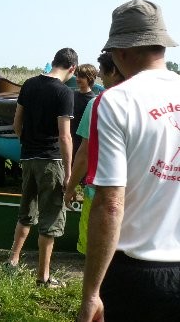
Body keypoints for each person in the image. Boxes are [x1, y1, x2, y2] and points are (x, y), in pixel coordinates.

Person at [78, 0, 180, 321]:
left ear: (120, 52)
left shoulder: (115, 102)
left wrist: (91, 294)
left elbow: (110, 204)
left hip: (136, 275)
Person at [7, 47, 77, 288]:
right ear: (72, 68)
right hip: (52, 161)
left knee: (26, 211)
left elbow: (17, 123)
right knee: (52, 217)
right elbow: (65, 137)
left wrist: (26, 144)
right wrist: (69, 173)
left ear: (54, 62)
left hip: (28, 157)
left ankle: (13, 261)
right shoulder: (64, 93)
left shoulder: (28, 84)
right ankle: (43, 278)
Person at [64, 52, 124, 254]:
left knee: (94, 247)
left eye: (102, 74)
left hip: (101, 190)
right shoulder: (152, 101)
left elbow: (85, 153)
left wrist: (71, 186)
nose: (101, 80)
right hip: (139, 192)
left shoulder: (99, 103)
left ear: (114, 71)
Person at [71, 64, 98, 160]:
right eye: (77, 75)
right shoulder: (72, 95)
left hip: (82, 144)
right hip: (70, 140)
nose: (77, 79)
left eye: (81, 76)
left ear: (90, 79)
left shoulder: (93, 101)